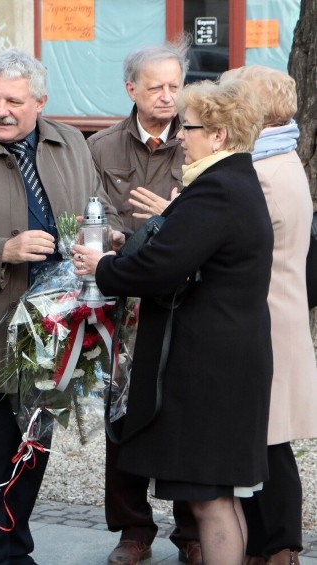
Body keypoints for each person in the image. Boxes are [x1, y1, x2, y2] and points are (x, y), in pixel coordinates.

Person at [0, 49, 122, 564]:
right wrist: (1, 251)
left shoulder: (71, 144)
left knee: (32, 453)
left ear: (40, 102)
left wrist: (108, 238)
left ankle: (15, 546)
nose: (0, 110)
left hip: (58, 336)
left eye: (14, 100)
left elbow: (98, 207)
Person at [73, 78, 271, 565]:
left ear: (219, 135)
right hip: (226, 358)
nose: (182, 135)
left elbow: (161, 267)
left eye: (190, 127)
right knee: (218, 491)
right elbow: (175, 250)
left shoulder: (217, 189)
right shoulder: (232, 181)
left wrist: (100, 269)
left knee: (208, 496)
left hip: (212, 365)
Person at [86, 41, 201, 564]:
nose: (167, 96)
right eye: (155, 86)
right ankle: (133, 530)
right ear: (131, 89)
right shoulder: (102, 147)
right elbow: (87, 213)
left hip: (184, 301)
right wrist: (111, 236)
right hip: (125, 299)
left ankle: (192, 531)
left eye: (174, 86)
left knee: (183, 412)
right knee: (124, 412)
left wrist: (169, 220)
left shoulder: (200, 143)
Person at [219, 65, 317, 565]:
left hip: (266, 320)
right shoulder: (283, 157)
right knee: (265, 441)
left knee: (269, 444)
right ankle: (272, 546)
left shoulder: (260, 170)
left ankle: (278, 548)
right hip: (281, 314)